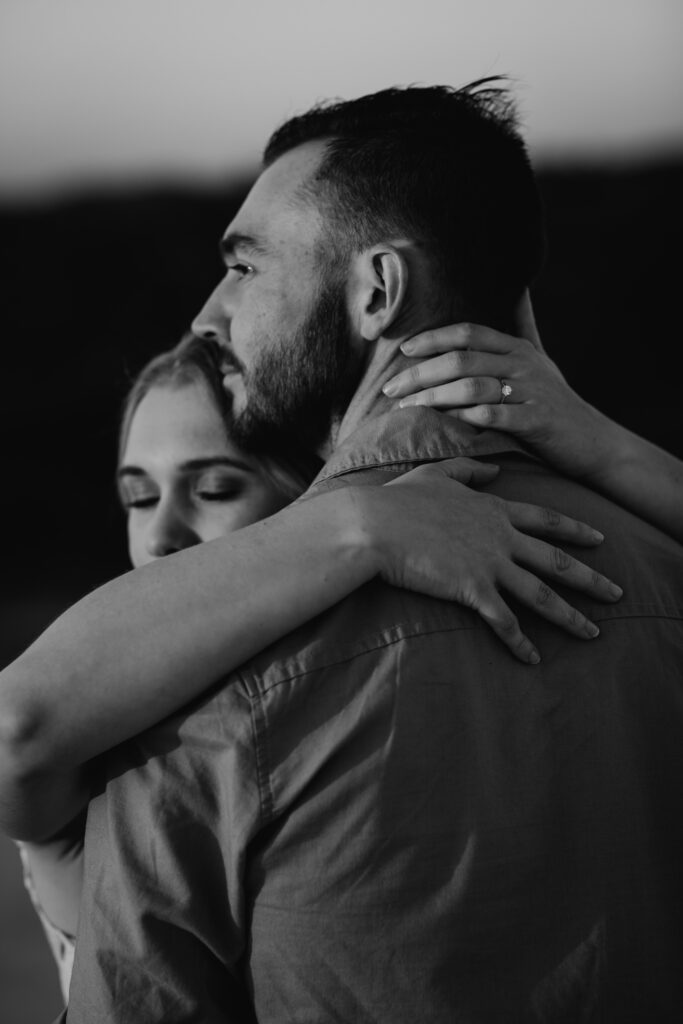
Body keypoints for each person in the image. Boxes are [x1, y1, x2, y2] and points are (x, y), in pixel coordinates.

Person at [55, 80, 683, 1022]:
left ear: (376, 291)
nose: (206, 315)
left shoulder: (188, 664)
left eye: (246, 267)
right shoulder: (663, 565)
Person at [6, 329, 618, 1007]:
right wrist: (363, 523)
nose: (161, 534)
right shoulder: (94, 732)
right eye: (139, 497)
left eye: (212, 488)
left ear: (306, 489)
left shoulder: (372, 694)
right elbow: (11, 732)